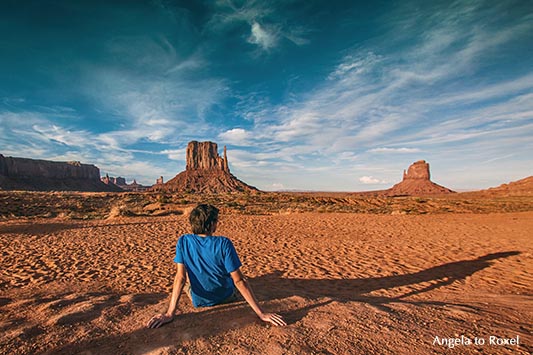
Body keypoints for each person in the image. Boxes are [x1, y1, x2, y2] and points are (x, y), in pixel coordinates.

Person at [147, 204, 286, 328]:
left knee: (188, 279)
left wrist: (170, 313)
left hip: (199, 300)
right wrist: (261, 313)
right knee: (234, 277)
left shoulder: (183, 241)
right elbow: (239, 281)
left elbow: (180, 278)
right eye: (216, 221)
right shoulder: (223, 243)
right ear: (212, 224)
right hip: (225, 296)